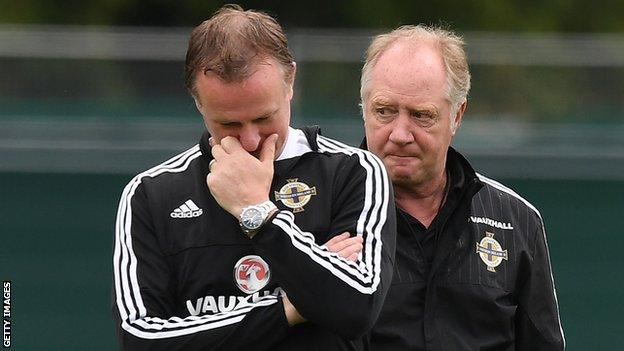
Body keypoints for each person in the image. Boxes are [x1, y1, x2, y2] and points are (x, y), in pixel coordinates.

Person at [111, 5, 395, 351]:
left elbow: (357, 307)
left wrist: (258, 212)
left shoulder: (353, 171)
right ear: (197, 101)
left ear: (290, 81)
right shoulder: (151, 194)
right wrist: (291, 307)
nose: (250, 139)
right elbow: (141, 340)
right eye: (228, 124)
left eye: (264, 117)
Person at [358, 25, 565, 350]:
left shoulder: (516, 220)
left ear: (458, 115)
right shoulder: (325, 215)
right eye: (384, 111)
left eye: (421, 115)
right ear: (363, 106)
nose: (400, 133)